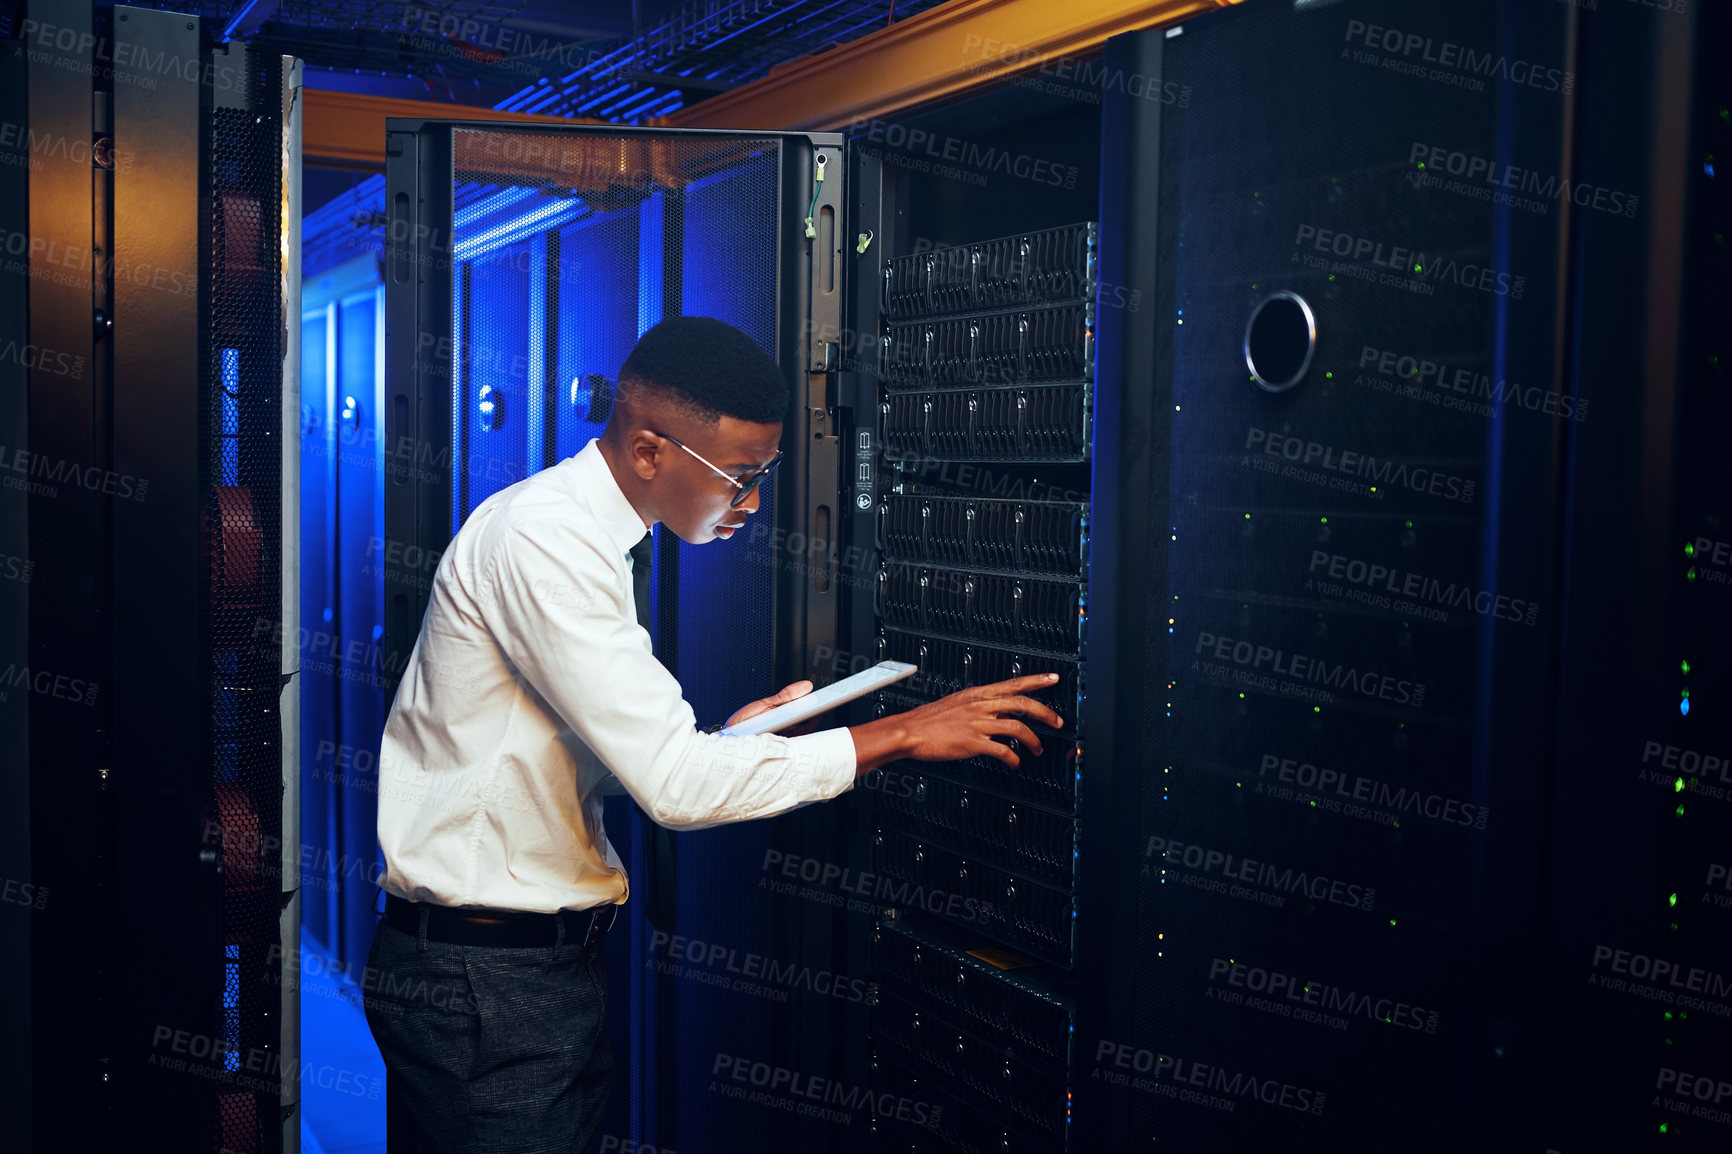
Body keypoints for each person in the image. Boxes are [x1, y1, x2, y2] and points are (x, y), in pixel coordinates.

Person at [362, 315, 1063, 1153]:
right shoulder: (546, 541)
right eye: (741, 477)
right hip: (485, 980)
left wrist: (732, 740)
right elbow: (676, 788)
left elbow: (581, 759)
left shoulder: (585, 536)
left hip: (526, 973)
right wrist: (901, 736)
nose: (754, 503)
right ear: (651, 450)